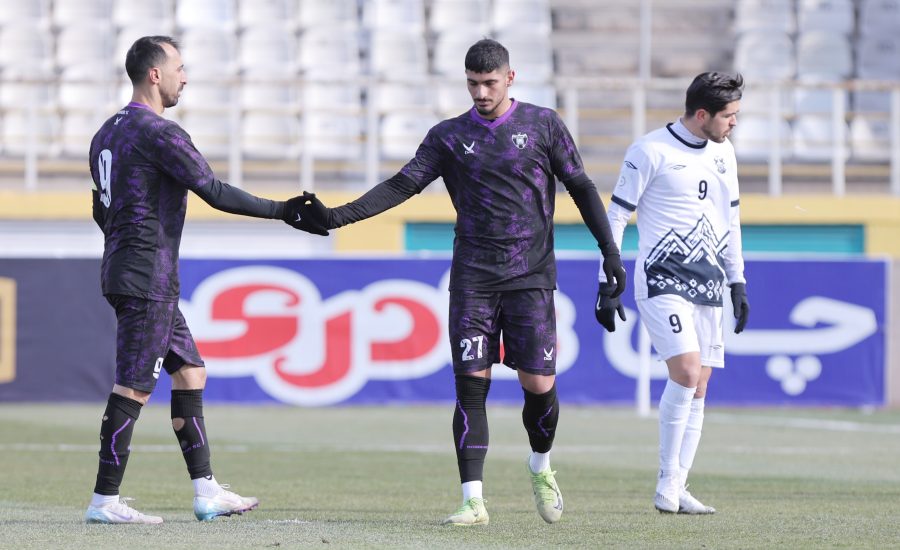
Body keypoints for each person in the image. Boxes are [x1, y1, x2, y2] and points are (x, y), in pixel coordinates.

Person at [285, 38, 626, 525]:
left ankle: (540, 464)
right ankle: (473, 500)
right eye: (472, 84)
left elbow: (582, 186)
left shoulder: (543, 124)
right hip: (473, 279)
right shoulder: (448, 136)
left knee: (538, 385)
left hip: (530, 277)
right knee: (471, 386)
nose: (481, 93)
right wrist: (337, 217)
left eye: (489, 83)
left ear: (510, 78)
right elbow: (402, 185)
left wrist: (610, 251)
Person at [85, 36, 322, 525]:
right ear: (155, 74)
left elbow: (100, 211)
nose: (185, 77)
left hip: (127, 270)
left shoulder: (105, 133)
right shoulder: (160, 133)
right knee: (133, 387)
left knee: (191, 372)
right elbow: (213, 190)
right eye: (179, 68)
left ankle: (206, 490)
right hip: (147, 278)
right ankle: (104, 500)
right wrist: (283, 211)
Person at [594, 72, 750, 515]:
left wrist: (737, 281)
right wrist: (607, 280)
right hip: (662, 277)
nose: (734, 123)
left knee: (700, 384)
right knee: (686, 370)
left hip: (709, 279)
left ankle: (679, 485)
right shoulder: (649, 151)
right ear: (702, 114)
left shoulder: (725, 153)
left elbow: (731, 220)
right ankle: (666, 483)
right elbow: (616, 217)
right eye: (728, 115)